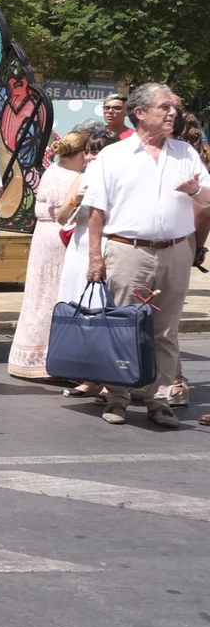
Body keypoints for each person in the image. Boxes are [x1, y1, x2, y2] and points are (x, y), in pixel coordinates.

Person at [83, 83, 208, 428]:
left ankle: (159, 400)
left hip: (175, 252)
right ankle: (119, 398)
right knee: (123, 328)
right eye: (164, 107)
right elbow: (96, 211)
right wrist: (96, 258)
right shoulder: (114, 155)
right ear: (140, 113)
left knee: (165, 332)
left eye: (174, 108)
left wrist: (196, 190)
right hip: (127, 250)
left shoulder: (185, 153)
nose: (173, 113)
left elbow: (208, 199)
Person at [8, 129, 92, 380]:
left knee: (39, 295)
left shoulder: (51, 172)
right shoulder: (74, 178)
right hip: (61, 236)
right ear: (82, 153)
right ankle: (48, 359)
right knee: (56, 296)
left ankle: (27, 355)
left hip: (44, 236)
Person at [54, 125, 118, 401]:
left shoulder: (117, 180)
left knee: (103, 313)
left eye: (98, 152)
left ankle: (108, 380)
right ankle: (87, 377)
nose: (91, 157)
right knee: (78, 311)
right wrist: (75, 202)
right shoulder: (81, 178)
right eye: (89, 152)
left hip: (106, 245)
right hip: (79, 248)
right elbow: (60, 216)